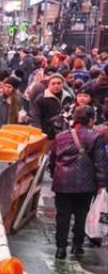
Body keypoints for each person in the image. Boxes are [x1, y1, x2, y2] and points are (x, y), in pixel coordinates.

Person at [48, 105, 108, 259]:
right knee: (82, 214)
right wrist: (102, 184)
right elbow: (100, 164)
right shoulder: (96, 137)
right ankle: (77, 246)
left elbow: (52, 160)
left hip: (62, 182)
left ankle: (60, 248)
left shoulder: (60, 137)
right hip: (85, 183)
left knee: (62, 215)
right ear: (91, 120)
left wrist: (55, 175)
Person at [31, 73, 71, 140]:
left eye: (59, 83)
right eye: (53, 83)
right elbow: (36, 117)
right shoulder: (41, 99)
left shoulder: (68, 97)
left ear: (63, 84)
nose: (56, 86)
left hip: (64, 134)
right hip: (47, 134)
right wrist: (38, 132)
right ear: (48, 85)